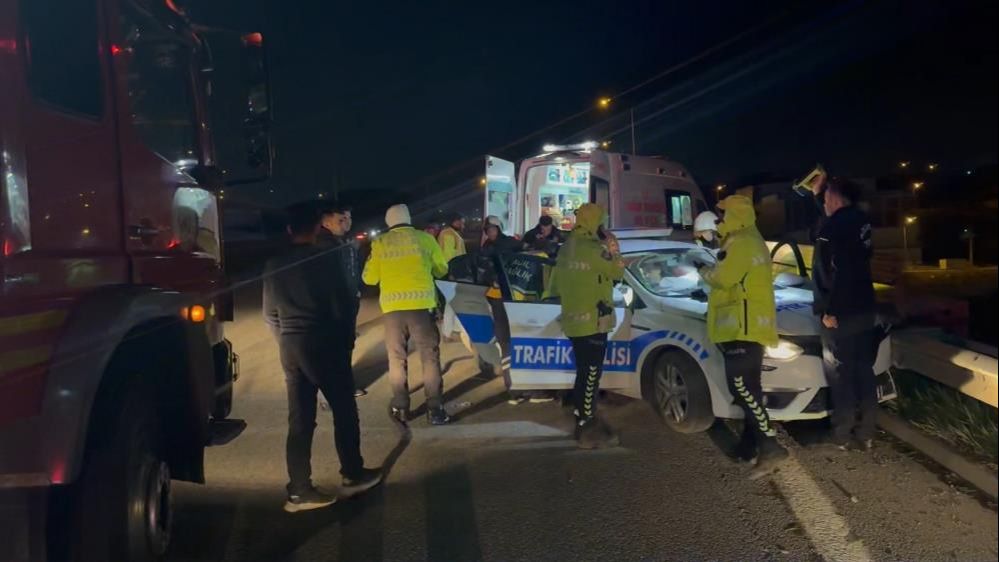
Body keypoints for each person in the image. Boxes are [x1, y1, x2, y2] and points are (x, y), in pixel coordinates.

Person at [263, 203, 382, 512]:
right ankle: (353, 473)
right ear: (317, 228)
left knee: (300, 417)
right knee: (344, 408)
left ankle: (299, 490)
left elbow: (269, 315)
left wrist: (286, 341)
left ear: (290, 230)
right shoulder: (325, 260)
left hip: (291, 344)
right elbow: (343, 305)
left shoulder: (273, 264)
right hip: (323, 342)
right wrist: (344, 342)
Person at [698, 195, 788, 478]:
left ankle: (771, 446)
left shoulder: (740, 242)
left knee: (743, 390)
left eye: (723, 215)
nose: (720, 220)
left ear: (736, 215)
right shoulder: (753, 239)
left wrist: (701, 269)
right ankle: (750, 445)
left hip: (741, 328)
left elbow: (723, 278)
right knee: (751, 390)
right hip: (750, 326)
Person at [362, 204, 452, 425]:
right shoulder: (425, 239)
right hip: (422, 309)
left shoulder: (380, 243)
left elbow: (369, 279)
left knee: (396, 359)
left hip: (393, 313)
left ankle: (401, 407)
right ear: (409, 218)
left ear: (388, 222)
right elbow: (442, 269)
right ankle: (435, 409)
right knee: (430, 358)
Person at [547, 203, 624, 448]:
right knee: (591, 375)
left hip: (573, 320)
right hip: (593, 321)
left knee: (584, 372)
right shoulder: (594, 249)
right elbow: (617, 274)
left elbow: (556, 285)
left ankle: (582, 415)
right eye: (602, 221)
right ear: (595, 222)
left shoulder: (567, 247)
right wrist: (614, 250)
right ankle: (586, 427)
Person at [812, 178, 877, 451]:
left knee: (841, 374)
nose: (824, 203)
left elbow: (836, 271)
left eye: (826, 198)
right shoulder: (860, 220)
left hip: (842, 313)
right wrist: (819, 195)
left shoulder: (833, 228)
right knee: (864, 369)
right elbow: (840, 225)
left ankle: (842, 433)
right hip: (865, 308)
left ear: (836, 200)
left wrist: (829, 310)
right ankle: (867, 432)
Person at [319, 204, 366, 398]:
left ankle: (345, 385)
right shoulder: (322, 246)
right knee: (330, 350)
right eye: (341, 219)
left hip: (348, 303)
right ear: (326, 222)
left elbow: (353, 271)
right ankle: (327, 394)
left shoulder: (346, 242)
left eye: (349, 218)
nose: (347, 222)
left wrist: (356, 291)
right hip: (331, 307)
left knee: (346, 346)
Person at [437, 213, 467, 340]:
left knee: (453, 302)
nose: (463, 225)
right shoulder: (449, 234)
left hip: (453, 272)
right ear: (456, 222)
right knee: (452, 302)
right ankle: (448, 332)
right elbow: (450, 257)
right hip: (452, 273)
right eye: (462, 222)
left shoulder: (450, 233)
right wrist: (453, 274)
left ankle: (451, 330)